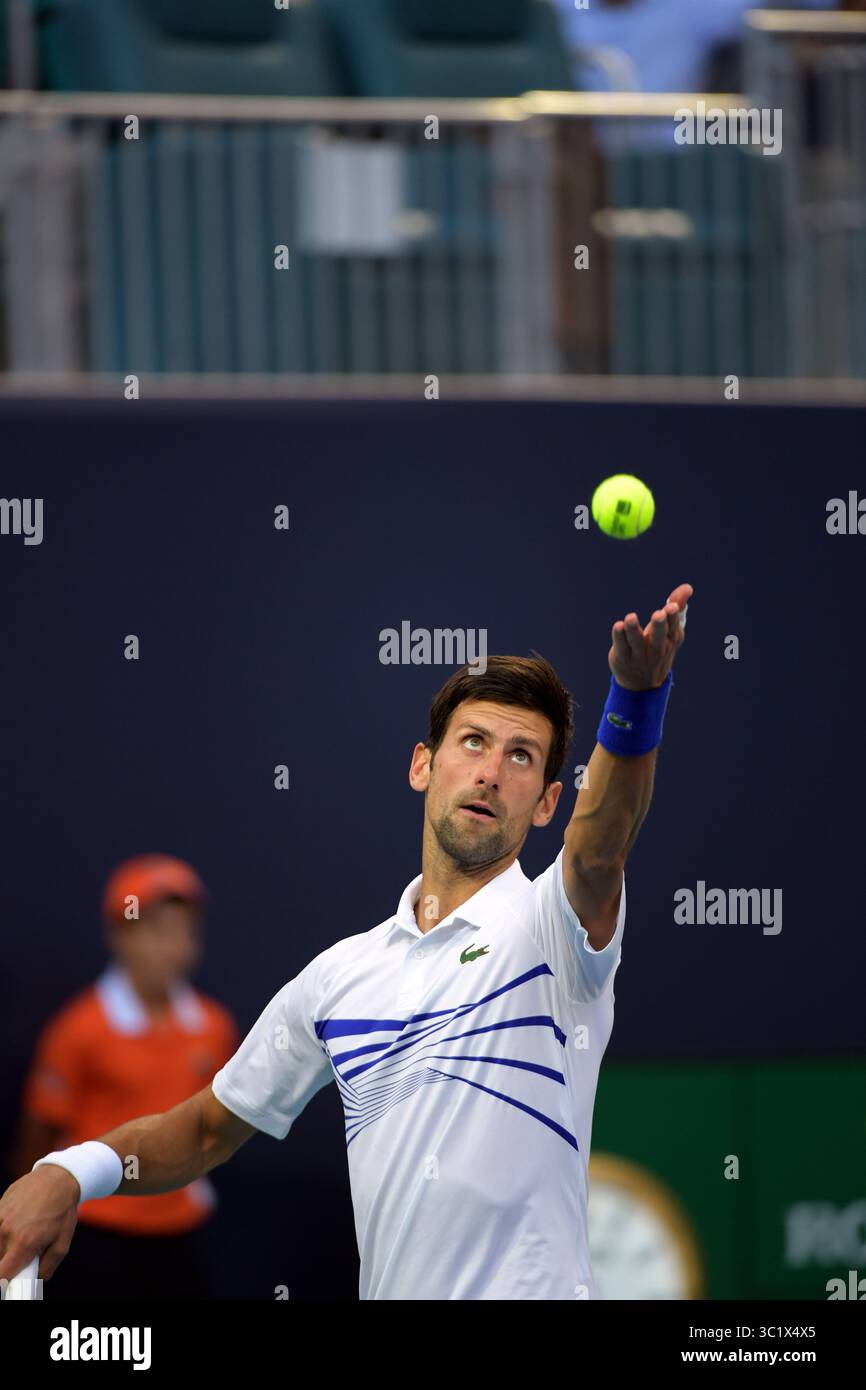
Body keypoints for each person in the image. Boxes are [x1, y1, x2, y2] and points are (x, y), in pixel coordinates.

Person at [0, 585, 692, 1300]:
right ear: (424, 765)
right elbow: (206, 1128)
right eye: (474, 743)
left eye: (522, 758)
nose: (491, 771)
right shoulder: (340, 978)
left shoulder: (555, 928)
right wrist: (71, 1171)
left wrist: (637, 698)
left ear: (548, 802)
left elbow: (598, 849)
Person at [5, 855, 238, 1299]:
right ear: (120, 935)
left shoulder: (214, 1025)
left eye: (185, 932)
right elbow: (35, 1142)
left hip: (181, 1235)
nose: (174, 947)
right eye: (156, 930)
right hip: (93, 1235)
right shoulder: (77, 1030)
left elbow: (217, 1127)